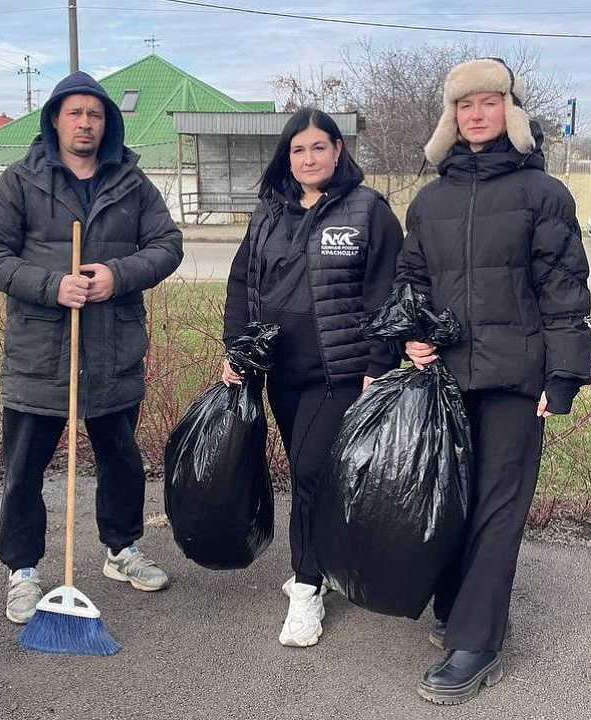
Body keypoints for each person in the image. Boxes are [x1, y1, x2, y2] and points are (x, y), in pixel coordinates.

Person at [397, 58, 591, 704]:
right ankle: (458, 607)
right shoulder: (430, 201)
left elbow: (564, 291)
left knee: (497, 507)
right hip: (449, 378)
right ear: (450, 119)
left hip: (516, 377)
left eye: (487, 103)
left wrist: (562, 375)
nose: (475, 115)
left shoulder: (544, 195)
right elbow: (413, 283)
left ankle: (477, 642)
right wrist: (412, 333)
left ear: (508, 111)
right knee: (451, 497)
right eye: (463, 107)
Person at [0, 71, 184, 624]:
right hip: (40, 354)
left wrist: (118, 274)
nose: (85, 122)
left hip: (113, 352)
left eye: (95, 113)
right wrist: (50, 284)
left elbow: (168, 245)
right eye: (75, 113)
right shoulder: (22, 180)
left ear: (107, 121)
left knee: (121, 460)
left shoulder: (132, 183)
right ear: (56, 119)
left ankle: (121, 549)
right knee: (23, 469)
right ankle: (22, 569)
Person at [222, 108, 404, 647]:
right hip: (280, 371)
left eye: (318, 147)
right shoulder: (269, 212)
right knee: (315, 474)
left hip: (341, 373)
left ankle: (306, 588)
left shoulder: (368, 210)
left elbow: (389, 292)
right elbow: (240, 282)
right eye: (298, 150)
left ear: (338, 150)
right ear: (287, 157)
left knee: (306, 468)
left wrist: (379, 363)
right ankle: (326, 560)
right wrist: (238, 349)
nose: (308, 158)